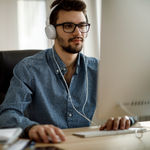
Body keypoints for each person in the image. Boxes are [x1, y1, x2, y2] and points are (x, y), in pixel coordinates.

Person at [0, 0, 134, 143]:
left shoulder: (99, 69)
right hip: (47, 144)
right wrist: (31, 128)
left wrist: (126, 118)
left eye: (82, 26)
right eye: (68, 26)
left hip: (86, 145)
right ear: (51, 31)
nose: (78, 32)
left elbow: (129, 108)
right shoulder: (28, 68)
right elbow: (7, 115)